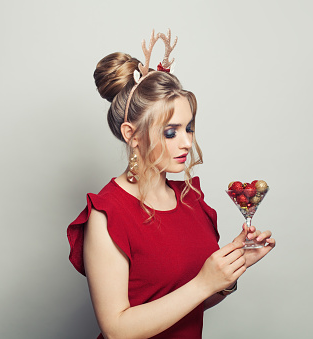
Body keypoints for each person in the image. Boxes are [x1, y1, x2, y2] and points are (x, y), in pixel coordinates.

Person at [67, 29, 275, 339]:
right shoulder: (108, 213)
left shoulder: (191, 200)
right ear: (131, 134)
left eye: (189, 128)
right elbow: (116, 330)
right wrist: (203, 283)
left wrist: (230, 272)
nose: (186, 143)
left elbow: (187, 304)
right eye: (170, 132)